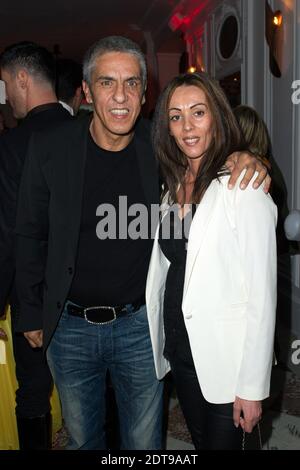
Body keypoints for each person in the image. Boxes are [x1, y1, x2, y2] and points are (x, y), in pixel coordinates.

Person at [15, 36, 269, 450]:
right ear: (86, 90)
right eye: (107, 83)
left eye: (132, 83)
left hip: (139, 327)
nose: (120, 96)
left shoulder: (159, 147)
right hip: (71, 327)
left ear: (144, 91)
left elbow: (205, 149)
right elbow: (28, 231)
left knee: (144, 442)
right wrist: (29, 311)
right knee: (83, 439)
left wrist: (245, 156)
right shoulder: (50, 148)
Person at [146, 73, 277, 450]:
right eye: (175, 116)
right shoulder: (171, 186)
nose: (187, 126)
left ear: (217, 116)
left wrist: (251, 386)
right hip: (183, 352)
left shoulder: (243, 187)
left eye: (198, 112)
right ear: (166, 128)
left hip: (227, 361)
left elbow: (262, 296)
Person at [0, 41, 72, 449]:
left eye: (7, 83)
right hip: (86, 296)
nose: (7, 95)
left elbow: (7, 234)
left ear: (22, 79)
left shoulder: (10, 146)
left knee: (31, 395)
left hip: (33, 301)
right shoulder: (89, 133)